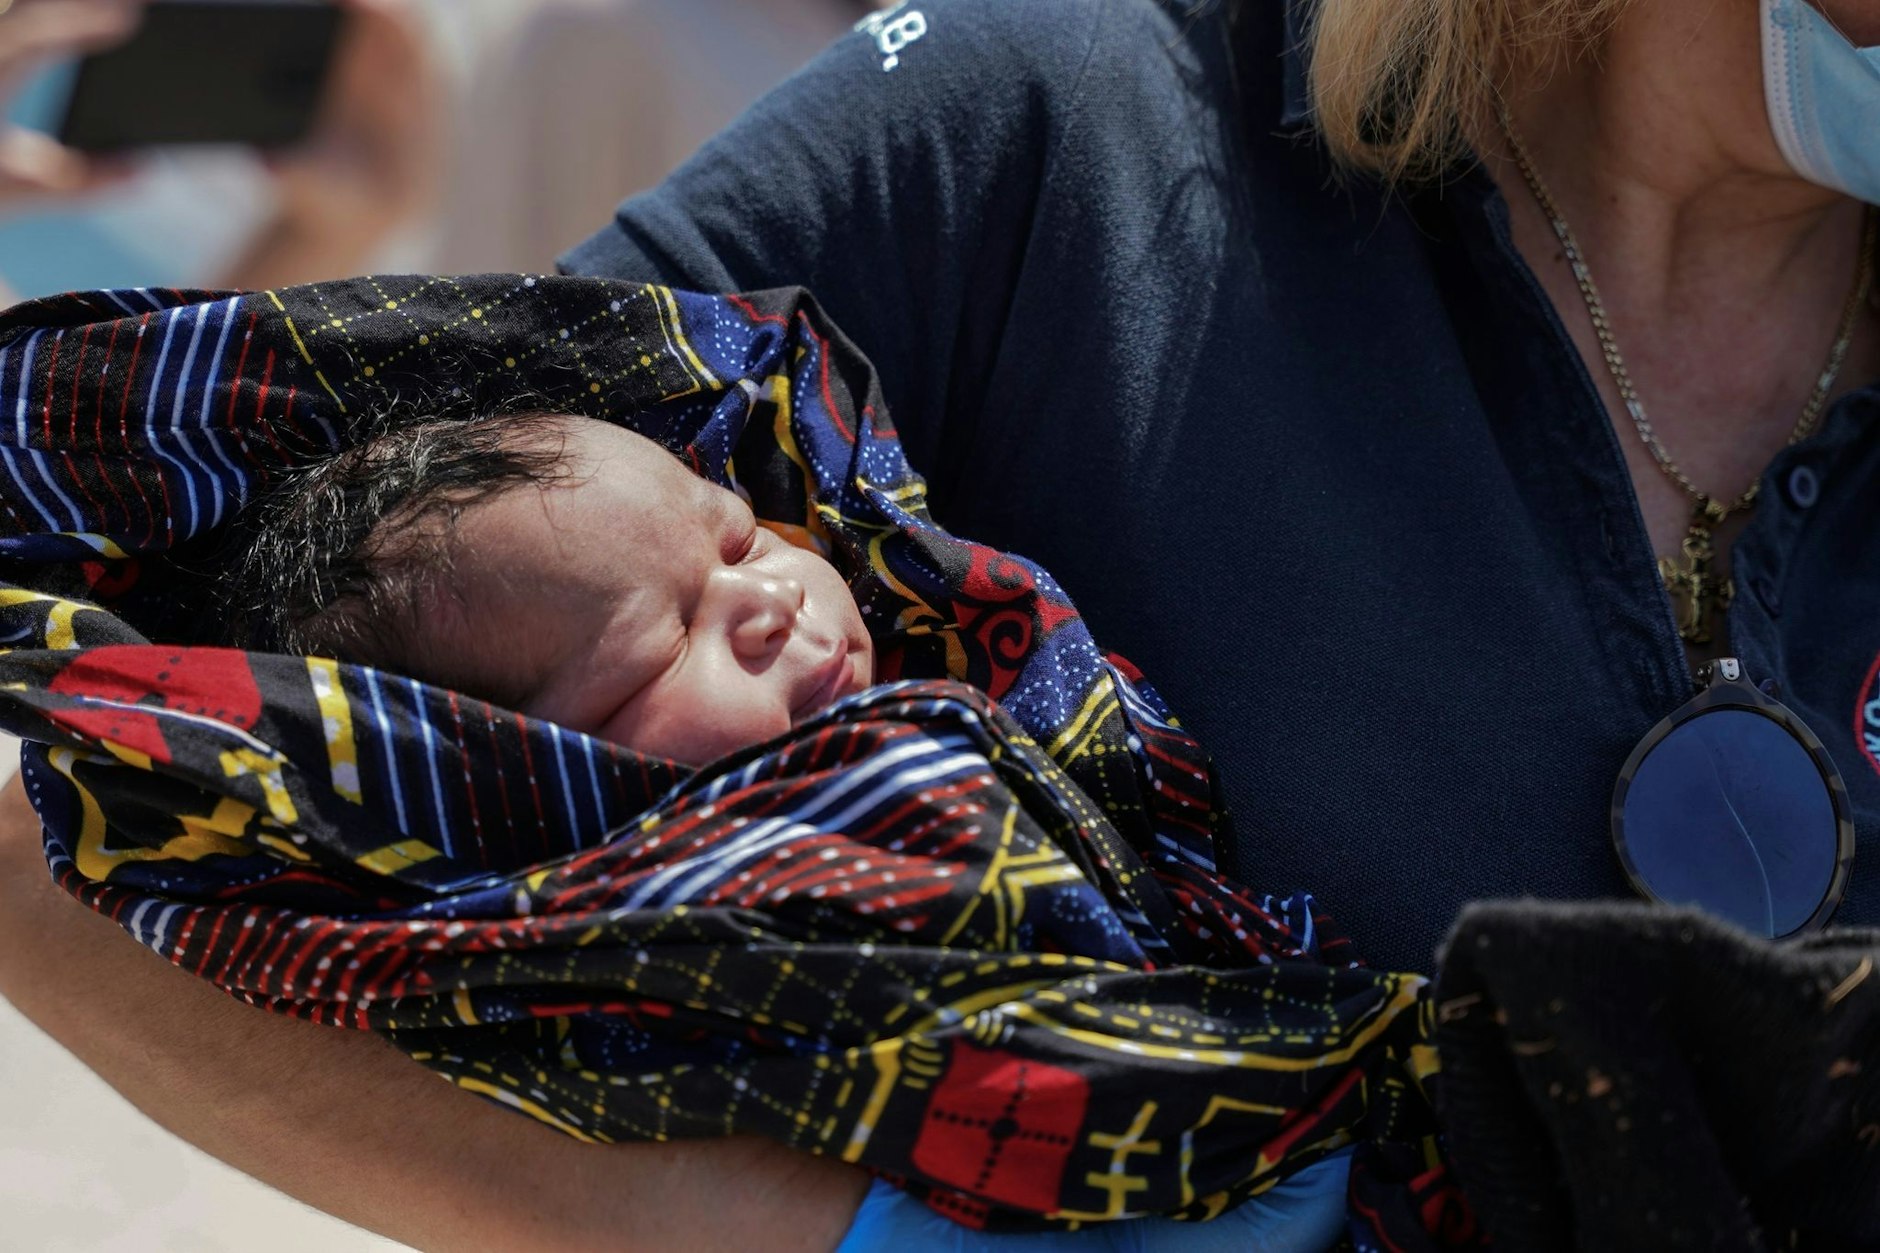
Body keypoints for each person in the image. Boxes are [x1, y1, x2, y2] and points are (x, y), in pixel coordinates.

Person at [3, 0, 1878, 1246]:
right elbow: (105, 795)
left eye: (749, 548)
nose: (763, 597)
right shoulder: (1064, 124)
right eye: (686, 616)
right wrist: (855, 1233)